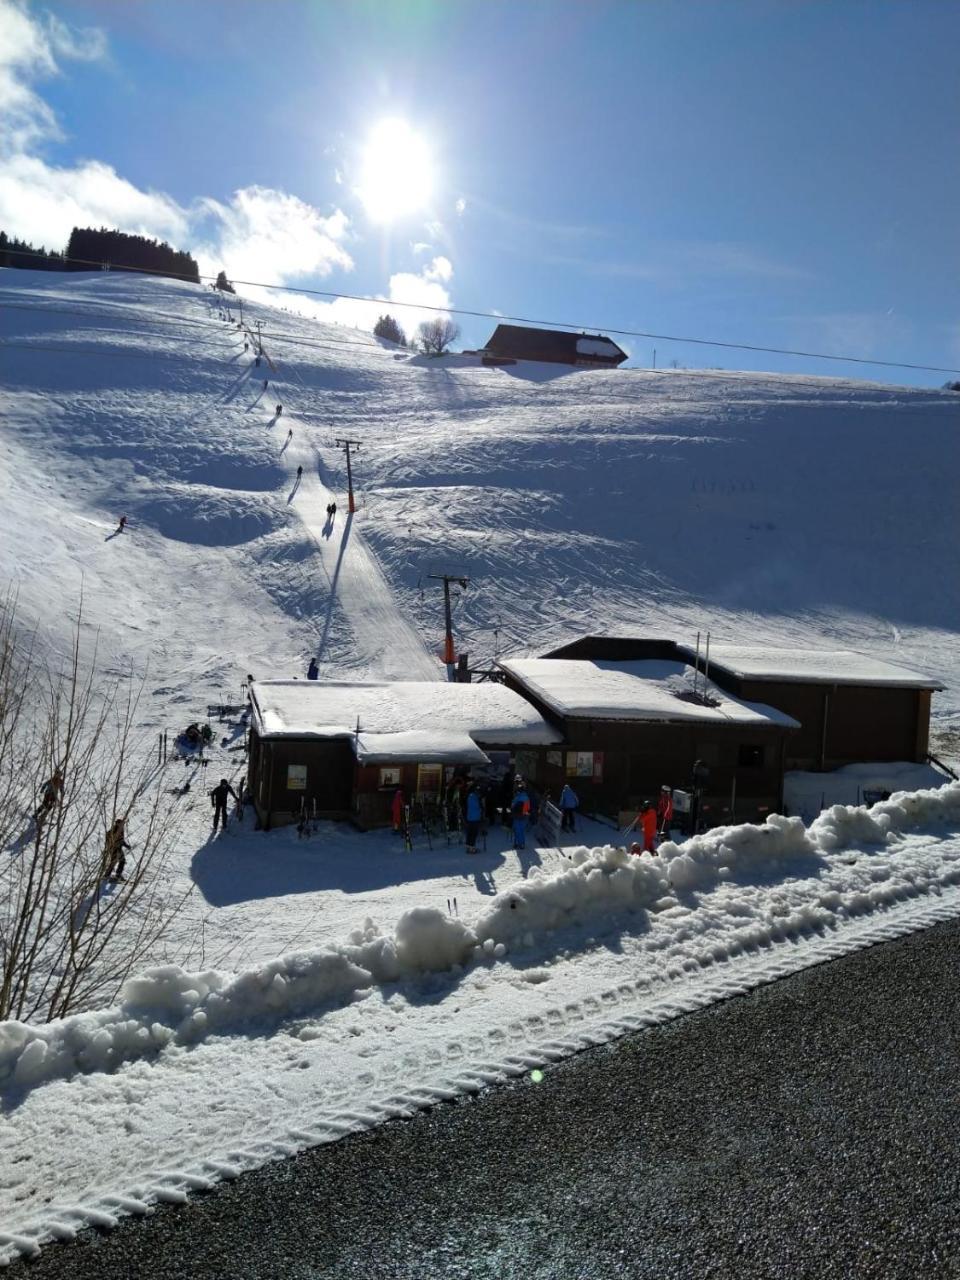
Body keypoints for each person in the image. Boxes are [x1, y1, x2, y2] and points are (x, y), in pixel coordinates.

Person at [103, 817, 130, 881]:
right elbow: (108, 837)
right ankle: (106, 876)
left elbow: (121, 840)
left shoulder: (121, 830)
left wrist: (126, 845)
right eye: (121, 824)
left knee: (122, 861)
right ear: (117, 824)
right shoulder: (114, 830)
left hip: (119, 848)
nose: (122, 825)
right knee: (113, 862)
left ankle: (118, 875)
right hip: (113, 849)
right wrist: (110, 846)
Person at [511, 777, 530, 851]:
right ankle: (522, 843)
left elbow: (512, 806)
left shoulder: (517, 797)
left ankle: (516, 843)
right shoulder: (526, 797)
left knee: (516, 829)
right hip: (524, 815)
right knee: (521, 830)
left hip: (516, 816)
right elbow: (528, 808)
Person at [464, 784, 483, 854]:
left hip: (470, 817)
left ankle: (468, 846)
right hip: (475, 818)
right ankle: (472, 848)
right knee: (473, 833)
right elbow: (477, 808)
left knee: (470, 832)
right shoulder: (474, 798)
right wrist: (481, 808)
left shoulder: (470, 796)